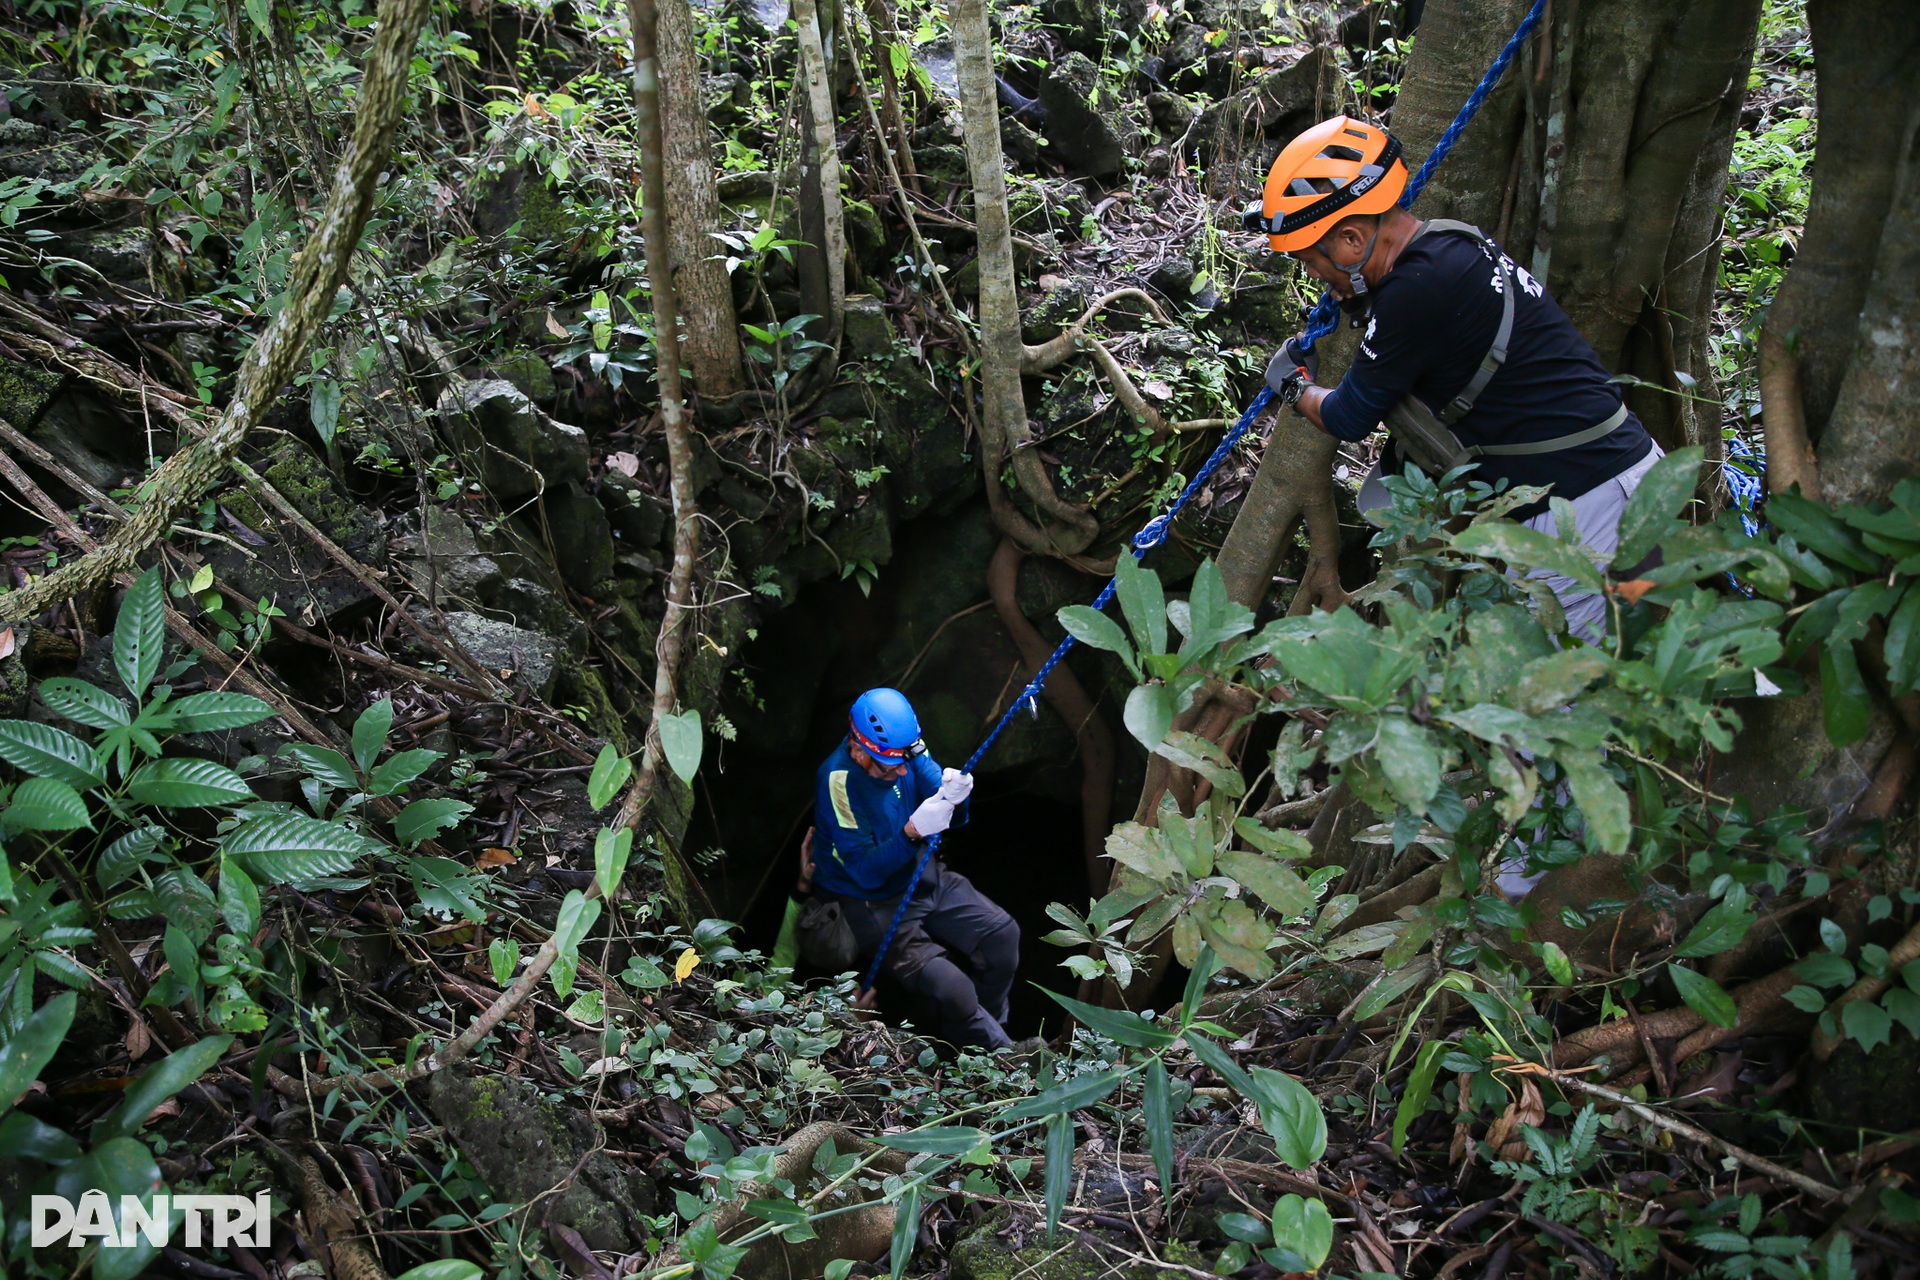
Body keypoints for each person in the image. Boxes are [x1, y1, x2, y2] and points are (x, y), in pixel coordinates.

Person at [1243, 116, 1665, 639]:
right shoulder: (1450, 247)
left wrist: (1292, 384)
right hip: (1623, 483)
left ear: (1351, 238)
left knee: (1572, 701)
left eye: (1311, 260)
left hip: (1588, 514)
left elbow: (1348, 415)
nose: (1313, 276)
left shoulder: (1413, 293)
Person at [805, 687, 1020, 1049]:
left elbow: (950, 814)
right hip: (869, 901)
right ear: (860, 751)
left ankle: (987, 1028)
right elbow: (863, 871)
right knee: (953, 988)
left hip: (920, 872)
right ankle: (1008, 1059)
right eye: (892, 766)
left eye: (907, 758)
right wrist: (912, 832)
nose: (904, 769)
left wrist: (957, 798)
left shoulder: (907, 750)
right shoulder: (837, 781)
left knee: (1002, 936)